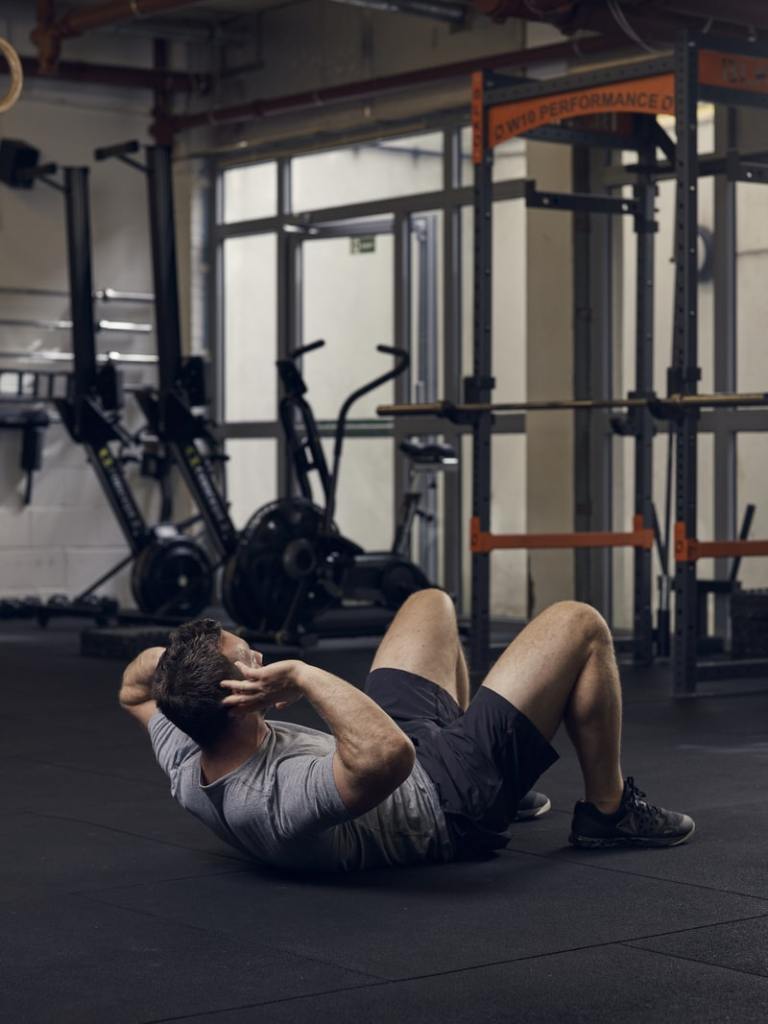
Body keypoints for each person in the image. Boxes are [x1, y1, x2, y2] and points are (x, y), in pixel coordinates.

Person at [118, 591, 694, 872]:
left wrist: (180, 660)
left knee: (430, 605)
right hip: (443, 803)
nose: (263, 657)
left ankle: (504, 775)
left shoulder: (188, 745)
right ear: (237, 703)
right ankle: (609, 811)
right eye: (252, 659)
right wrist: (301, 673)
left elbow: (134, 687)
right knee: (580, 624)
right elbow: (387, 755)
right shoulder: (269, 802)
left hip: (402, 756)